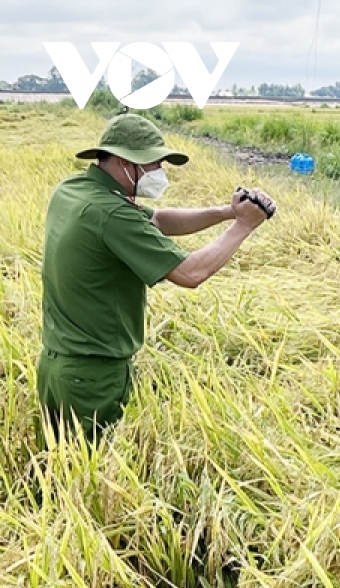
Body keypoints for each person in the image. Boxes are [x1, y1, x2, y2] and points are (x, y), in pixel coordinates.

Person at [38, 113, 276, 439]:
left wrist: (226, 212)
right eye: (154, 165)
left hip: (56, 367)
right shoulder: (112, 214)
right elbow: (191, 273)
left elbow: (159, 220)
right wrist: (244, 226)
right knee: (93, 479)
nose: (159, 173)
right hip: (93, 378)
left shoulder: (73, 190)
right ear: (125, 162)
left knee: (59, 475)